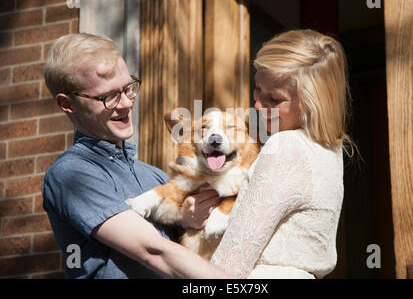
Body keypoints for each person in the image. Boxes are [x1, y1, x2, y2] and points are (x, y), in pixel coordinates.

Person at [41, 33, 232, 279]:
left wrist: (184, 219)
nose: (126, 104)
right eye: (108, 97)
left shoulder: (153, 175)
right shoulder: (72, 174)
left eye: (128, 88)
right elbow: (153, 251)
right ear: (67, 104)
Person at [210, 29, 352, 279]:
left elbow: (227, 266)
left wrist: (159, 251)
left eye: (274, 99)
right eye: (257, 88)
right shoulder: (330, 149)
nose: (257, 104)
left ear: (311, 103)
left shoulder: (285, 146)